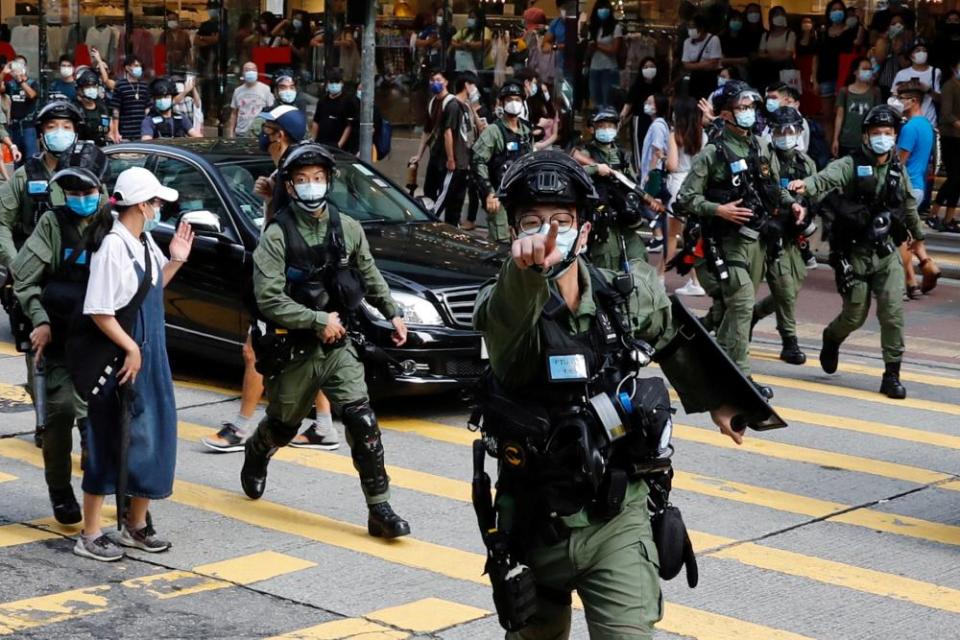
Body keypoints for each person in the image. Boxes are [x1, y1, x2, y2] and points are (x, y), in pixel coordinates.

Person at [472, 149, 744, 640]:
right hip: (535, 522)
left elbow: (670, 335)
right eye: (532, 222)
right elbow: (508, 321)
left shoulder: (624, 297)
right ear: (514, 235)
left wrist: (721, 401)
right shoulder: (503, 302)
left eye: (562, 220)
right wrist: (524, 274)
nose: (549, 233)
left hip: (616, 517)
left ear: (586, 231)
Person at [240, 143, 410, 539]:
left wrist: (393, 313)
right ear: (290, 186)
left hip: (339, 347)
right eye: (302, 180)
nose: (312, 186)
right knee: (283, 426)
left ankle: (379, 507)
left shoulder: (347, 227)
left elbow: (368, 274)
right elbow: (268, 298)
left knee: (362, 421)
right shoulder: (277, 236)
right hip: (292, 348)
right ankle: (257, 450)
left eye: (318, 178)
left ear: (328, 182)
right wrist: (317, 320)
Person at [202, 107, 339, 453]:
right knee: (311, 351)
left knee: (255, 350)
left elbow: (292, 230)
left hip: (286, 283)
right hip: (300, 281)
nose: (262, 136)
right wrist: (268, 198)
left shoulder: (294, 173)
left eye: (267, 130)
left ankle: (242, 427)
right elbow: (275, 226)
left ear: (280, 134)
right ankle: (323, 427)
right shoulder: (287, 172)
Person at [75, 167, 194, 561]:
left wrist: (175, 260)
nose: (159, 208)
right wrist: (131, 348)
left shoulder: (142, 242)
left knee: (154, 437)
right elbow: (99, 310)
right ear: (142, 205)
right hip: (122, 360)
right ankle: (90, 533)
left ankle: (135, 525)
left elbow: (150, 286)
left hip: (148, 356)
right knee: (108, 440)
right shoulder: (114, 246)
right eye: (157, 202)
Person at [787, 105, 925, 399]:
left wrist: (920, 242)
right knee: (854, 315)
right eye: (877, 133)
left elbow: (909, 205)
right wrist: (806, 185)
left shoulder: (897, 170)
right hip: (853, 253)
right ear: (866, 135)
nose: (882, 138)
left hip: (886, 253)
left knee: (892, 311)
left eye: (888, 133)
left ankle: (891, 375)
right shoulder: (850, 164)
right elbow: (826, 178)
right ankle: (831, 337)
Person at [677, 80, 804, 395]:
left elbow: (773, 186)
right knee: (743, 302)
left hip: (757, 242)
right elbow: (684, 198)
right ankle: (742, 378)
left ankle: (712, 363)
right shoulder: (712, 152)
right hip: (725, 242)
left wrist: (793, 205)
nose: (748, 113)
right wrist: (718, 209)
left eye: (750, 107)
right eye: (741, 108)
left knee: (734, 309)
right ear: (724, 114)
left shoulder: (760, 146)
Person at [11, 142, 107, 526]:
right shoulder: (53, 222)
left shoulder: (115, 221)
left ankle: (108, 488)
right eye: (73, 191)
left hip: (104, 342)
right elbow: (22, 275)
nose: (81, 198)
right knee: (60, 413)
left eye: (87, 190)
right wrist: (40, 320)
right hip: (62, 340)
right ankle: (60, 490)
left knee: (102, 421)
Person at [752, 107, 816, 364]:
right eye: (780, 130)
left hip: (794, 234)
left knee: (793, 286)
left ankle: (754, 314)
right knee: (785, 290)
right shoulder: (766, 159)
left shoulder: (806, 163)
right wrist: (791, 203)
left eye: (791, 130)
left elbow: (815, 191)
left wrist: (806, 213)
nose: (786, 135)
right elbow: (770, 190)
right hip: (769, 232)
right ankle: (790, 342)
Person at [571, 108, 663, 270]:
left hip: (624, 215)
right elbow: (573, 172)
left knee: (638, 257)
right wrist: (595, 168)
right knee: (607, 261)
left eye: (610, 126)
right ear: (594, 128)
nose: (606, 130)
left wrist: (647, 200)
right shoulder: (585, 152)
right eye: (601, 126)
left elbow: (631, 183)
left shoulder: (621, 154)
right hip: (602, 218)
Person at [0, 101, 82, 272]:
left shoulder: (88, 175)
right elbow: (2, 222)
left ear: (75, 134)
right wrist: (16, 264)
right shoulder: (24, 175)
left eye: (67, 127)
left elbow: (105, 222)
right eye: (51, 127)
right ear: (41, 134)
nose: (60, 132)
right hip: (34, 270)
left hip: (78, 271)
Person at [892, 80, 940, 297]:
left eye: (901, 98)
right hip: (919, 185)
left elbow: (899, 161)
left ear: (912, 101)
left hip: (906, 186)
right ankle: (928, 265)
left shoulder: (910, 127)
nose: (898, 102)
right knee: (910, 232)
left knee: (899, 237)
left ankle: (907, 282)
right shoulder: (927, 125)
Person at [471, 81, 533, 245]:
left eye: (518, 99)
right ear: (502, 102)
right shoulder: (494, 131)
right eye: (510, 99)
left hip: (522, 196)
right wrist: (488, 192)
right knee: (501, 244)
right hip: (500, 196)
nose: (514, 103)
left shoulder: (526, 131)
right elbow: (478, 162)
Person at [664, 96, 707, 295]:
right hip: (697, 186)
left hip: (678, 186)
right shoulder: (703, 135)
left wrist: (665, 160)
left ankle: (661, 275)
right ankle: (696, 280)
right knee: (692, 234)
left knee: (672, 235)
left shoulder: (675, 135)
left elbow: (672, 165)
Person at [409, 69, 464, 217]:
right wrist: (419, 155)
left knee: (444, 194)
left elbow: (448, 133)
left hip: (447, 159)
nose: (435, 83)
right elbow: (427, 131)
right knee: (429, 191)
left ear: (446, 82)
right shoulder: (432, 102)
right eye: (433, 80)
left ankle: (437, 219)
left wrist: (451, 159)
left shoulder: (451, 104)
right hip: (435, 155)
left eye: (439, 80)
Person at [819, 1, 860, 144]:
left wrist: (855, 25)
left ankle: (842, 144)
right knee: (827, 115)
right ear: (829, 13)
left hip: (844, 77)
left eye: (839, 9)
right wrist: (814, 78)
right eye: (834, 9)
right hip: (825, 75)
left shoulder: (851, 31)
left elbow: (857, 45)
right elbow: (817, 55)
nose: (837, 12)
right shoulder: (823, 32)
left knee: (843, 114)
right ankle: (829, 147)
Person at [929, 54, 960, 233]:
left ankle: (949, 219)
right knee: (954, 178)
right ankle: (934, 214)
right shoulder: (949, 86)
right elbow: (946, 114)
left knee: (958, 181)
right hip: (950, 137)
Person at [833, 58, 882, 157]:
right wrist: (835, 139)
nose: (868, 72)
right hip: (846, 140)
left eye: (870, 69)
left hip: (867, 142)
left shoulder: (875, 92)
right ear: (855, 72)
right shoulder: (844, 92)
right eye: (864, 69)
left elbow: (877, 117)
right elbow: (839, 117)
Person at [621, 57, 663, 170]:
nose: (649, 69)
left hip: (654, 120)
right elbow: (628, 104)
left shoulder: (659, 86)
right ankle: (639, 169)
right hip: (639, 120)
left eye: (652, 66)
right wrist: (621, 119)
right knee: (639, 145)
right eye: (646, 67)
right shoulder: (636, 86)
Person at [891, 40, 940, 127]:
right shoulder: (902, 74)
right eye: (918, 50)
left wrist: (927, 90)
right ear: (911, 56)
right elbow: (893, 97)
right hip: (907, 122)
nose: (922, 53)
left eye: (924, 50)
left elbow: (939, 99)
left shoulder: (935, 72)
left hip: (929, 121)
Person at [587, 0, 624, 109]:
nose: (603, 11)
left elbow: (614, 50)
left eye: (606, 9)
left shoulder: (616, 28)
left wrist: (597, 46)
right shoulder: (593, 28)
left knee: (608, 102)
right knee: (595, 100)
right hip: (594, 68)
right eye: (600, 9)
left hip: (609, 69)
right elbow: (589, 51)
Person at [1, 55, 40, 158]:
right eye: (16, 64)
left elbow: (32, 95)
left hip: (29, 127)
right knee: (16, 160)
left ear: (26, 67)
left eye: (21, 64)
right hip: (14, 128)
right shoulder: (10, 84)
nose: (18, 67)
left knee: (31, 160)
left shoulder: (32, 83)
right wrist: (3, 73)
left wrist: (20, 80)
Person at [310, 68, 358, 152]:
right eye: (331, 82)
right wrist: (313, 141)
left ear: (342, 83)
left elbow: (349, 126)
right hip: (320, 144)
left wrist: (339, 145)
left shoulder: (348, 102)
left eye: (337, 82)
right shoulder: (322, 101)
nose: (333, 85)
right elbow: (316, 121)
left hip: (337, 147)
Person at [109, 55, 152, 144]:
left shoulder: (144, 85)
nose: (139, 68)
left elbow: (148, 108)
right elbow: (116, 110)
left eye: (140, 66)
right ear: (127, 68)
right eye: (136, 66)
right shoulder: (120, 85)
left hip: (142, 133)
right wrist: (116, 132)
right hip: (125, 133)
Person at [754, 6, 796, 94]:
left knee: (785, 94)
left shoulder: (790, 34)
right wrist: (779, 53)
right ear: (771, 17)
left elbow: (788, 55)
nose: (779, 16)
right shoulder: (766, 35)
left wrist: (769, 55)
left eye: (781, 14)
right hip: (767, 72)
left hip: (785, 71)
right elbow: (760, 54)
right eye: (776, 14)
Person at [681, 14, 724, 100]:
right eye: (689, 27)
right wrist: (705, 64)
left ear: (701, 28)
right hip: (695, 79)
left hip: (710, 78)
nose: (690, 29)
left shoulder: (713, 39)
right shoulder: (687, 42)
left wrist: (693, 65)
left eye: (693, 27)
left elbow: (713, 63)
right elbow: (685, 64)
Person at [227, 62, 274, 138]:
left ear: (257, 72)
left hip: (260, 133)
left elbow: (271, 111)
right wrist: (231, 133)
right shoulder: (237, 91)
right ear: (243, 73)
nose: (250, 72)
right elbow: (234, 113)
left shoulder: (265, 89)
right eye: (247, 70)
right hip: (241, 133)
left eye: (253, 70)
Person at [195, 2, 222, 122]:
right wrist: (211, 40)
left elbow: (219, 39)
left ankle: (218, 114)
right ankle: (205, 114)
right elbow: (196, 41)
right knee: (205, 90)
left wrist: (204, 39)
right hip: (204, 62)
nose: (212, 11)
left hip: (219, 63)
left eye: (214, 9)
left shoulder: (223, 24)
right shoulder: (204, 25)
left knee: (217, 91)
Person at [74, 70, 111, 147]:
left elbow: (106, 129)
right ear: (80, 90)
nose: (91, 89)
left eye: (94, 87)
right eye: (87, 87)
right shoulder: (75, 110)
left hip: (101, 148)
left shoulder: (102, 108)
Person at [450, 8, 490, 75]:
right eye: (469, 17)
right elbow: (452, 41)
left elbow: (484, 43)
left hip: (480, 66)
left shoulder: (485, 30)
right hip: (463, 66)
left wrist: (469, 45)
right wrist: (461, 45)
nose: (470, 20)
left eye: (473, 18)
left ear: (479, 19)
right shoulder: (464, 31)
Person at [796, 16, 821, 117]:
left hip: (811, 66)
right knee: (800, 92)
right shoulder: (797, 38)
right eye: (804, 21)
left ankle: (811, 115)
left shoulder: (815, 38)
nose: (806, 24)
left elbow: (816, 57)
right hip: (799, 66)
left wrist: (814, 76)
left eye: (809, 22)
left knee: (810, 91)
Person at [720, 10, 752, 84]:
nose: (737, 22)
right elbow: (721, 60)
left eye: (739, 20)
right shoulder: (721, 38)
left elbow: (747, 59)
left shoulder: (746, 38)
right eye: (734, 20)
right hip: (725, 74)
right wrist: (739, 60)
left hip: (742, 76)